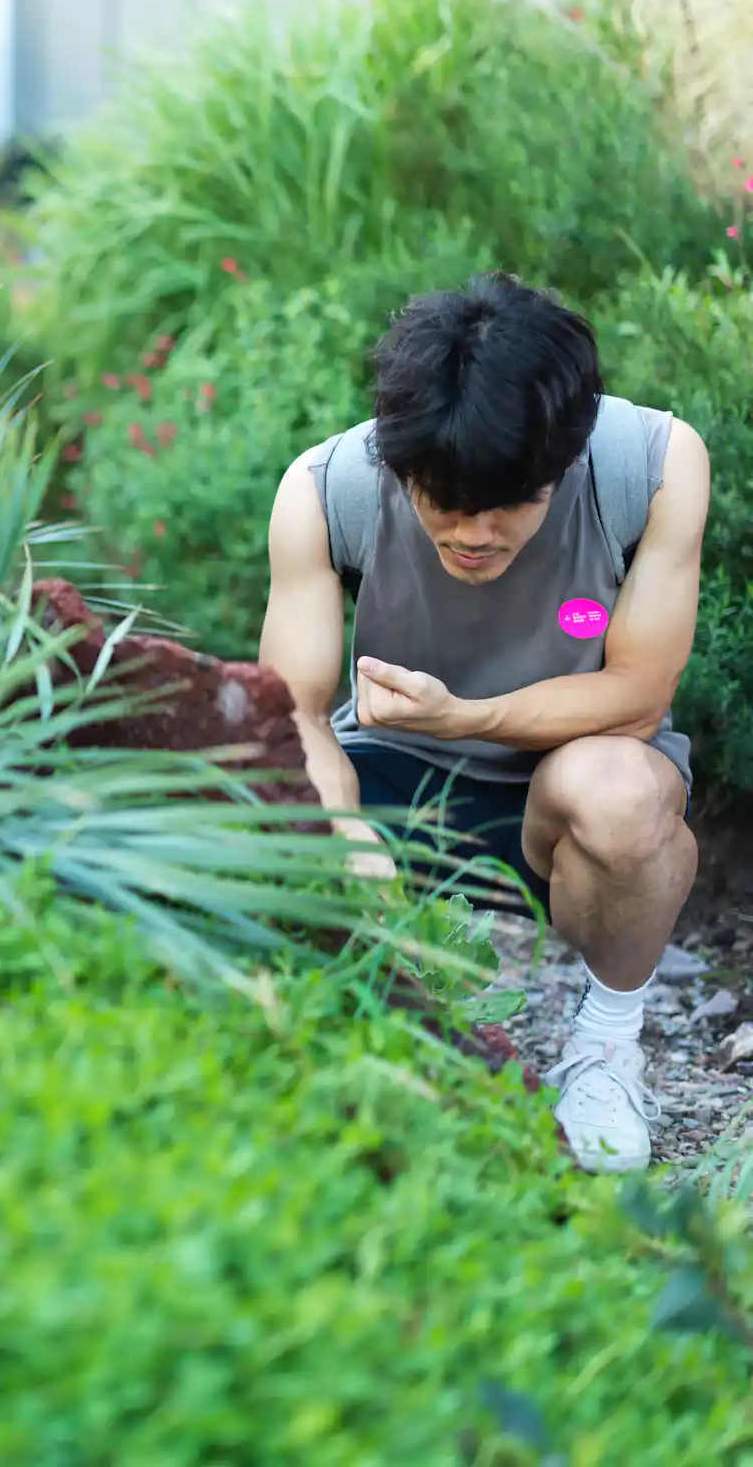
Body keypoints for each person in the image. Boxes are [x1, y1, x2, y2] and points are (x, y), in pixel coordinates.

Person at [258, 272, 710, 1174]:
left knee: (619, 791)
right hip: (394, 772)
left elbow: (640, 693)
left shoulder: (651, 465)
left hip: (566, 775)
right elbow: (296, 713)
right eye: (445, 501)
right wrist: (345, 832)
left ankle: (607, 1047)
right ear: (401, 464)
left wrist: (470, 718)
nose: (475, 531)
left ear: (565, 461)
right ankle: (374, 1038)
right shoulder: (325, 488)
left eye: (510, 504)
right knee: (284, 817)